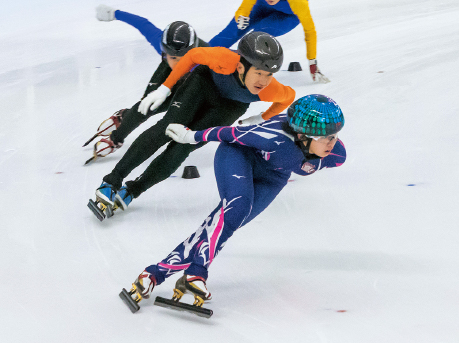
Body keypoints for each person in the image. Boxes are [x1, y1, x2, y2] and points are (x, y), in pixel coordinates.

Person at [122, 94, 346, 310]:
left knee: (222, 224)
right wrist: (191, 136)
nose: (332, 143)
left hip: (273, 178)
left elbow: (314, 156)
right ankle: (196, 273)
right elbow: (229, 133)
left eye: (334, 136)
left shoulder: (336, 155)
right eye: (326, 138)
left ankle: (154, 274)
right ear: (302, 135)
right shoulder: (274, 138)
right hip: (238, 155)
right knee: (237, 208)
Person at [90, 31, 295, 220]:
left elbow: (289, 97)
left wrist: (262, 117)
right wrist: (165, 88)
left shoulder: (269, 90)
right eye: (259, 72)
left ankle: (133, 190)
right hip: (203, 82)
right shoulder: (224, 59)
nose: (264, 81)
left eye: (269, 74)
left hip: (231, 106)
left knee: (183, 146)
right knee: (168, 127)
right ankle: (111, 181)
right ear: (241, 66)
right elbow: (192, 55)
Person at [84, 5, 208, 163]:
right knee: (147, 106)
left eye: (181, 58)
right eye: (171, 56)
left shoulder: (208, 57)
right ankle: (116, 137)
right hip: (167, 71)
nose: (176, 63)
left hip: (195, 76)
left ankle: (125, 116)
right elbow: (143, 24)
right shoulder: (161, 45)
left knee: (181, 109)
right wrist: (114, 13)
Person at [209, 0, 329, 83]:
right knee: (231, 31)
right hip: (261, 7)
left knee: (257, 35)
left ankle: (237, 65)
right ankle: (198, 59)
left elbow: (310, 31)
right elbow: (244, 7)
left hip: (287, 16)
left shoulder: (298, 2)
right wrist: (241, 15)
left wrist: (312, 60)